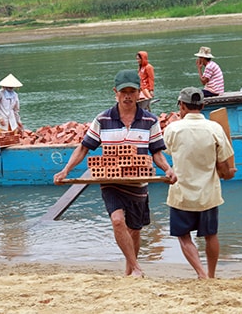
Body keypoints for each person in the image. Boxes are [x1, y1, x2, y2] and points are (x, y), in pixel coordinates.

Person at [54, 69, 177, 277]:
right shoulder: (103, 119)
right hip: (110, 180)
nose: (128, 96)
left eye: (132, 91)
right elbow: (84, 147)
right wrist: (66, 170)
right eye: (123, 92)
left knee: (135, 230)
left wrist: (167, 168)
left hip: (139, 183)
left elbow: (156, 152)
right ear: (115, 92)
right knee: (118, 221)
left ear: (140, 93)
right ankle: (137, 268)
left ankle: (130, 271)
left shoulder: (150, 121)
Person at [163, 87, 236, 279]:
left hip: (182, 193)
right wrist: (229, 173)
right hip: (208, 194)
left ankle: (201, 273)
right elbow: (223, 164)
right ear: (202, 106)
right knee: (211, 235)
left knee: (183, 236)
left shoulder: (172, 129)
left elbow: (169, 152)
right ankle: (211, 274)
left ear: (182, 106)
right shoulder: (215, 128)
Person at [0, 73, 24, 137]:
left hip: (11, 119)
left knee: (13, 136)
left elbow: (16, 110)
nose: (11, 88)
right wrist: (0, 118)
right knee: (2, 137)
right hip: (2, 117)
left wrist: (18, 121)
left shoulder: (14, 95)